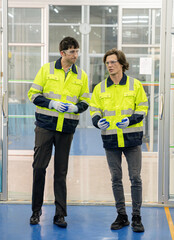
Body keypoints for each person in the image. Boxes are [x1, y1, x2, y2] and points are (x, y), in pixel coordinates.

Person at [28, 36, 90, 228]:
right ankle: (36, 211)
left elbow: (85, 101)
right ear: (62, 53)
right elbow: (33, 95)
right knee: (39, 168)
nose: (76, 55)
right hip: (45, 126)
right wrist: (52, 103)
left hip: (66, 129)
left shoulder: (82, 75)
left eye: (77, 51)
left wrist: (75, 108)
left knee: (61, 172)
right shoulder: (46, 69)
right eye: (72, 52)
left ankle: (60, 214)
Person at [90, 48, 148, 232]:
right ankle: (121, 215)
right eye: (107, 63)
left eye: (113, 62)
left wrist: (130, 120)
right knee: (116, 178)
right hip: (111, 140)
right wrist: (97, 121)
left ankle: (136, 216)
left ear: (122, 63)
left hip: (132, 139)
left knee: (135, 177)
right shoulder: (100, 88)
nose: (110, 65)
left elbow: (142, 108)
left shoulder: (135, 85)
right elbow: (94, 109)